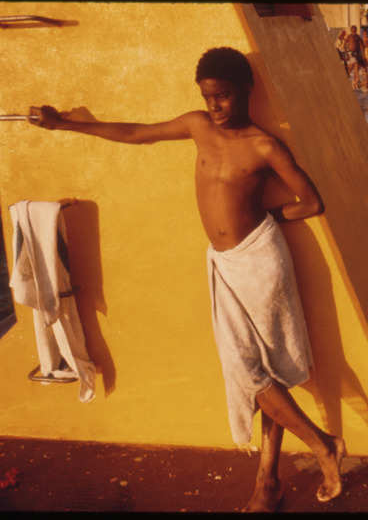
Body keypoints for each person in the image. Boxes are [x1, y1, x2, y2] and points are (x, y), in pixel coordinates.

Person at [27, 47, 345, 513]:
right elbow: (137, 133)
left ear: (245, 92)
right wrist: (65, 124)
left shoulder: (264, 146)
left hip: (261, 262)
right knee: (252, 371)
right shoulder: (198, 126)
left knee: (261, 370)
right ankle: (287, 471)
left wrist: (273, 214)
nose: (215, 106)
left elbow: (311, 202)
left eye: (224, 96)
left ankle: (297, 465)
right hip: (222, 263)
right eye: (208, 97)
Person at [345, 25, 368, 90]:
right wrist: (346, 53)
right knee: (353, 66)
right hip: (351, 53)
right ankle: (355, 80)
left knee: (354, 66)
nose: (354, 32)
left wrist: (363, 55)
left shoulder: (357, 37)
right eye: (353, 30)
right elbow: (345, 44)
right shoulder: (349, 36)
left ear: (356, 30)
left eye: (354, 30)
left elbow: (362, 46)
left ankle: (355, 80)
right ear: (351, 30)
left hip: (356, 54)